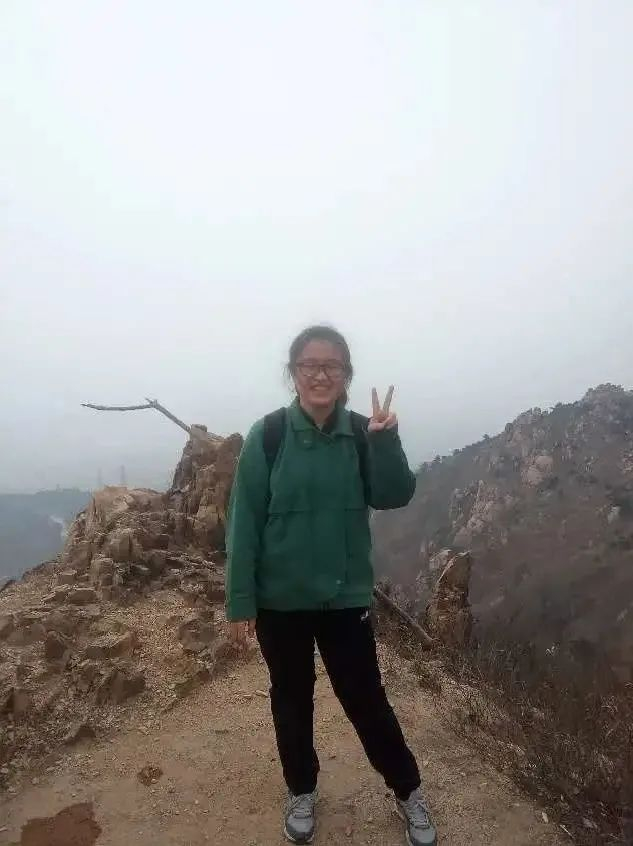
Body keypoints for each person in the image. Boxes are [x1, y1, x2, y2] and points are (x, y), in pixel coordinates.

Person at [225, 325, 437, 846]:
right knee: (291, 700)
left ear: (346, 375)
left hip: (345, 599)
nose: (320, 375)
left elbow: (394, 494)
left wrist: (385, 440)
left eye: (332, 366)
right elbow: (244, 522)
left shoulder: (364, 433)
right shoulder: (268, 435)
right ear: (293, 373)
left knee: (366, 700)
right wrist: (240, 600)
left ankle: (407, 790)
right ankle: (301, 789)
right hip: (281, 601)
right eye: (309, 365)